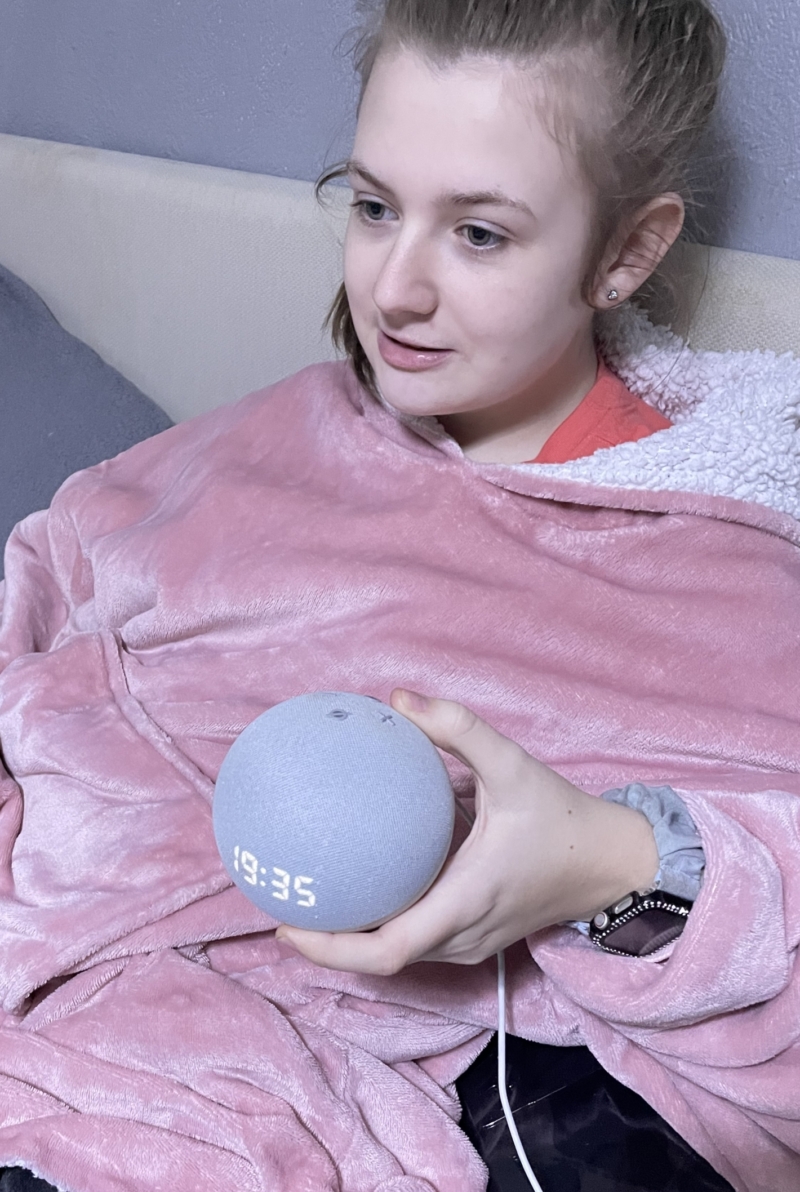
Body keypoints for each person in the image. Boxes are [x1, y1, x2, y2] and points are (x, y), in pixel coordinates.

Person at [0, 2, 798, 1191]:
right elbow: (55, 567)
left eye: (478, 234)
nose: (395, 290)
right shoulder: (288, 429)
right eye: (373, 207)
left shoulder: (722, 568)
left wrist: (601, 859)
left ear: (624, 253)